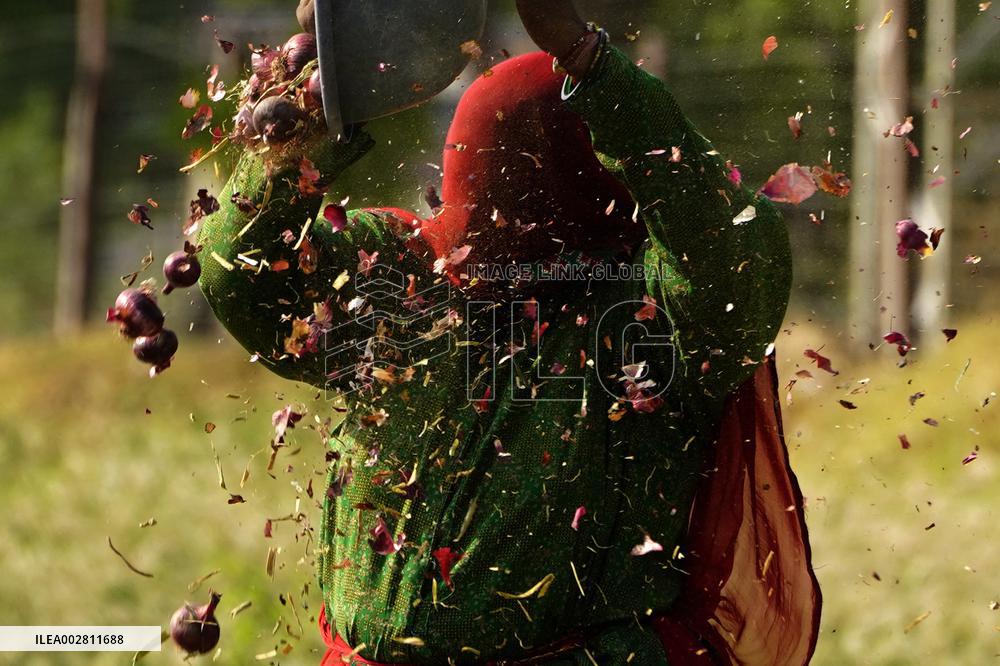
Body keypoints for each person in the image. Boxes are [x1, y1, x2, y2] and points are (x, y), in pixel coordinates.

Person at [198, 1, 820, 663]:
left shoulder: (648, 320)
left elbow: (732, 250)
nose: (494, 213)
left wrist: (594, 67)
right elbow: (246, 278)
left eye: (514, 181)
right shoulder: (406, 288)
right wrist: (310, 116)